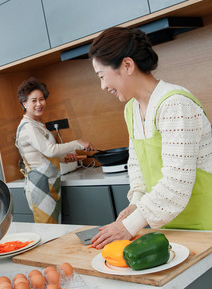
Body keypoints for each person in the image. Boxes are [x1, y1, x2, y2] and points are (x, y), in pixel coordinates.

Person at [88, 27, 212, 249]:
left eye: (102, 76)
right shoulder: (131, 110)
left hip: (205, 226)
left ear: (127, 65)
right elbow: (137, 167)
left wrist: (129, 226)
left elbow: (177, 182)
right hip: (169, 228)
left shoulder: (174, 104)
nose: (103, 86)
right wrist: (135, 205)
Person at [15, 77, 94, 223]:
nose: (39, 104)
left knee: (55, 228)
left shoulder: (37, 123)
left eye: (42, 99)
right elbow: (50, 150)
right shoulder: (28, 127)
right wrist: (77, 143)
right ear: (24, 103)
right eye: (34, 101)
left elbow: (43, 155)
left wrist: (64, 158)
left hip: (49, 183)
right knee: (49, 232)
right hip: (40, 187)